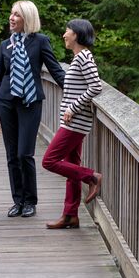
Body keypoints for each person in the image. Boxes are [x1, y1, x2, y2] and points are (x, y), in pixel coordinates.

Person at [0, 0, 66, 218]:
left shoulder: (40, 41)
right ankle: (18, 201)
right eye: (11, 14)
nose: (11, 18)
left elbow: (55, 70)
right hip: (6, 102)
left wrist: (74, 89)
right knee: (12, 155)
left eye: (17, 15)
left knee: (25, 153)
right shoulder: (5, 45)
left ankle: (30, 201)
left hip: (30, 102)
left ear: (27, 19)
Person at [42, 19, 104, 229]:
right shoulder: (79, 58)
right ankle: (70, 215)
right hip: (73, 121)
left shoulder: (84, 57)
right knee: (71, 167)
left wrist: (72, 108)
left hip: (75, 123)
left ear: (76, 34)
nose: (64, 35)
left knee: (49, 161)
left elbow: (96, 86)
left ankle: (91, 177)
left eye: (67, 31)